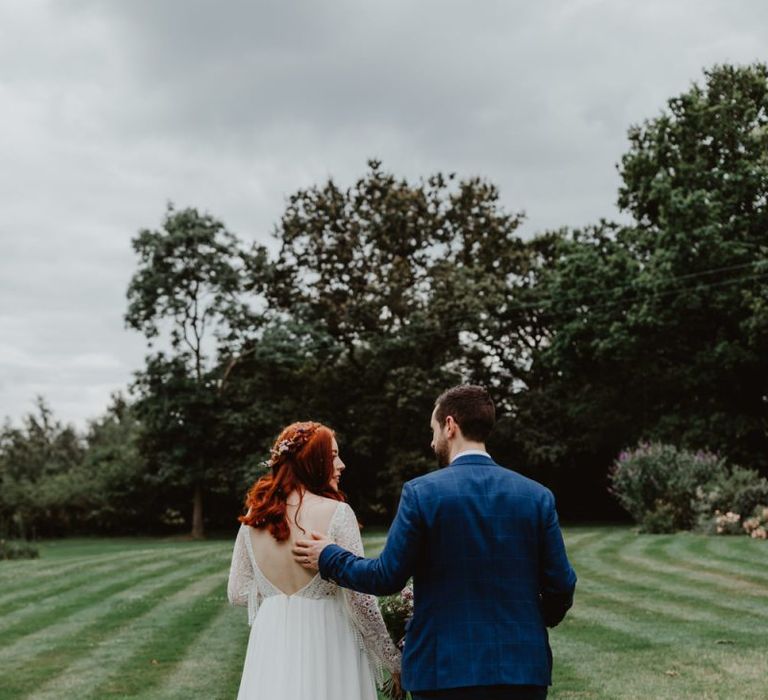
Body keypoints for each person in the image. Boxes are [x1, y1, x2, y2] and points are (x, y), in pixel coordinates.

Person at [293, 385, 577, 700]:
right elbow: (561, 585)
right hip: (521, 668)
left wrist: (329, 557)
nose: (432, 441)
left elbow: (386, 576)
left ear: (450, 426)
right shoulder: (536, 496)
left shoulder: (422, 493)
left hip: (444, 670)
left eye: (433, 430)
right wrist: (532, 620)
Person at [227, 421, 401, 700]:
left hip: (272, 641)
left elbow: (237, 592)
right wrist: (393, 660)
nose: (341, 464)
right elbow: (361, 600)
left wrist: (279, 600)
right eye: (333, 455)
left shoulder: (254, 518)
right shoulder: (338, 513)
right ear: (311, 460)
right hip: (328, 638)